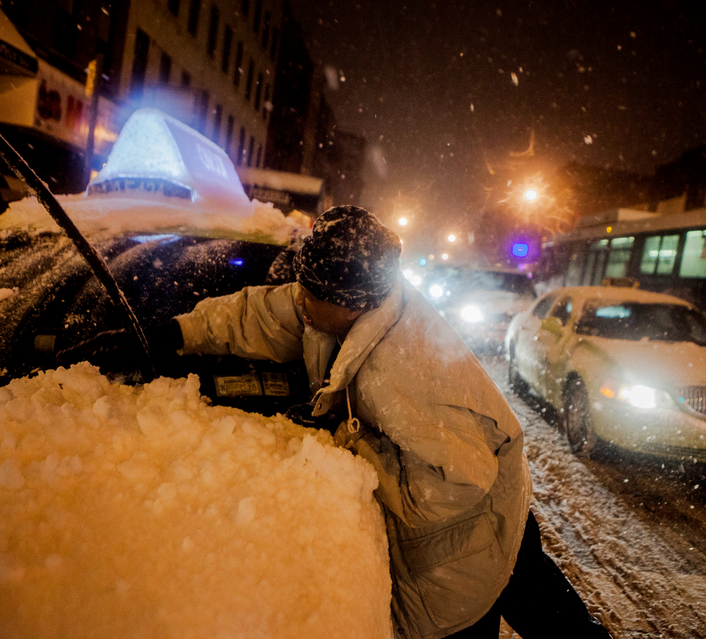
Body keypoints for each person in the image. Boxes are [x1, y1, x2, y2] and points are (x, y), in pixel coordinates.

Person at [61, 205, 607, 638]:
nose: (297, 298)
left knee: (494, 602)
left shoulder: (399, 375)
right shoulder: (336, 305)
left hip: (462, 528)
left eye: (308, 293)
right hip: (485, 498)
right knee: (539, 593)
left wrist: (342, 443)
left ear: (350, 305)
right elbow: (263, 314)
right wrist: (173, 334)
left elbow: (453, 487)